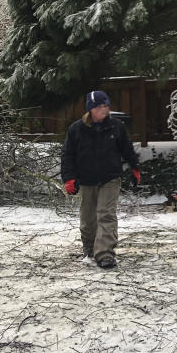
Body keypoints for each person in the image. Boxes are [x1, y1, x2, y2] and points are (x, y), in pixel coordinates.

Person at [61, 90, 140, 269]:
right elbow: (67, 155)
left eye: (106, 105)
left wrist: (135, 167)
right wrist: (68, 178)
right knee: (88, 218)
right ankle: (90, 249)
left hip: (110, 178)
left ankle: (105, 253)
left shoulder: (116, 126)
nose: (105, 109)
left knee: (106, 214)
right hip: (86, 179)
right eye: (101, 106)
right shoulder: (76, 129)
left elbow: (127, 149)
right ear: (91, 109)